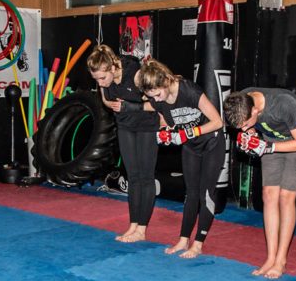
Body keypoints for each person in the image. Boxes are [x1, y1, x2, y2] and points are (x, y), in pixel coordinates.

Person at [224, 87, 296, 279]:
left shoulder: (283, 104)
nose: (242, 128)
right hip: (271, 137)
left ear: (255, 111)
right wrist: (249, 134)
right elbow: (249, 127)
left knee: (285, 197)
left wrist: (267, 147)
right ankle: (271, 257)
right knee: (268, 195)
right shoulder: (242, 100)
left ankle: (281, 260)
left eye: (246, 124)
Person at [138, 59, 225, 258]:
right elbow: (166, 118)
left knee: (205, 194)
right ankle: (183, 239)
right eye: (152, 97)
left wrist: (188, 133)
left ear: (166, 82)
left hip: (212, 143)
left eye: (158, 94)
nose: (157, 100)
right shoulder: (156, 99)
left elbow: (217, 122)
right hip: (191, 147)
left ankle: (198, 243)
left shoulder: (189, 91)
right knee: (191, 193)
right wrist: (166, 132)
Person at [87, 44, 159, 242]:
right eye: (96, 80)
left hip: (146, 126)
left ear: (112, 68)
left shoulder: (135, 75)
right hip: (125, 126)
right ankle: (133, 225)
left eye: (103, 78)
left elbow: (157, 102)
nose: (101, 83)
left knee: (145, 177)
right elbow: (106, 98)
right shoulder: (105, 83)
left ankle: (142, 229)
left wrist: (130, 106)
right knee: (133, 177)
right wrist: (107, 101)